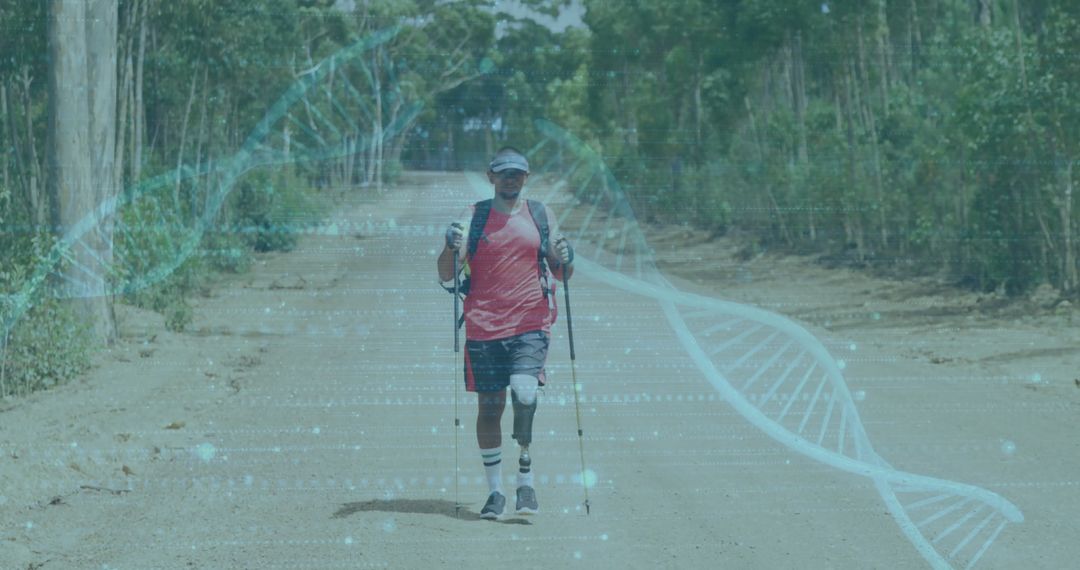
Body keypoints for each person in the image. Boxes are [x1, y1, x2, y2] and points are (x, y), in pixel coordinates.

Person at [437, 147, 574, 519]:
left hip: (531, 323)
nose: (510, 178)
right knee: (490, 408)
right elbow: (446, 272)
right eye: (504, 173)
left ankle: (525, 478)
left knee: (525, 390)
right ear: (491, 176)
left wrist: (565, 256)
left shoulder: (541, 214)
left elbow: (561, 273)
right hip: (483, 327)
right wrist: (450, 244)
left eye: (517, 173)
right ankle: (495, 492)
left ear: (526, 177)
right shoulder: (474, 216)